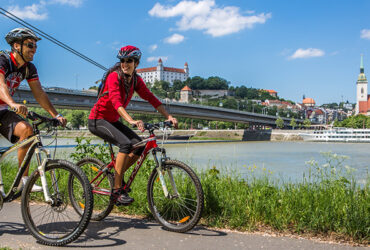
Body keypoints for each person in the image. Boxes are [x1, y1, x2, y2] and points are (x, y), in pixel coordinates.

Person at [88, 45, 178, 205]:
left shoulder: (136, 80)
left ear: (136, 62)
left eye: (129, 60)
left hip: (113, 120)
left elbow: (151, 98)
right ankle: (116, 190)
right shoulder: (114, 77)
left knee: (138, 145)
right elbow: (115, 102)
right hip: (98, 120)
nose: (125, 64)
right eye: (122, 60)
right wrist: (131, 120)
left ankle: (118, 175)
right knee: (125, 144)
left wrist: (168, 116)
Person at [0, 27, 67, 191]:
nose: (34, 50)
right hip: (7, 105)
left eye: (35, 47)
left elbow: (39, 94)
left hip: (2, 112)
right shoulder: (3, 60)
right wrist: (12, 104)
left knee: (27, 130)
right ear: (17, 46)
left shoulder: (29, 68)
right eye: (30, 45)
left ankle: (24, 182)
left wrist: (56, 115)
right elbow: (0, 84)